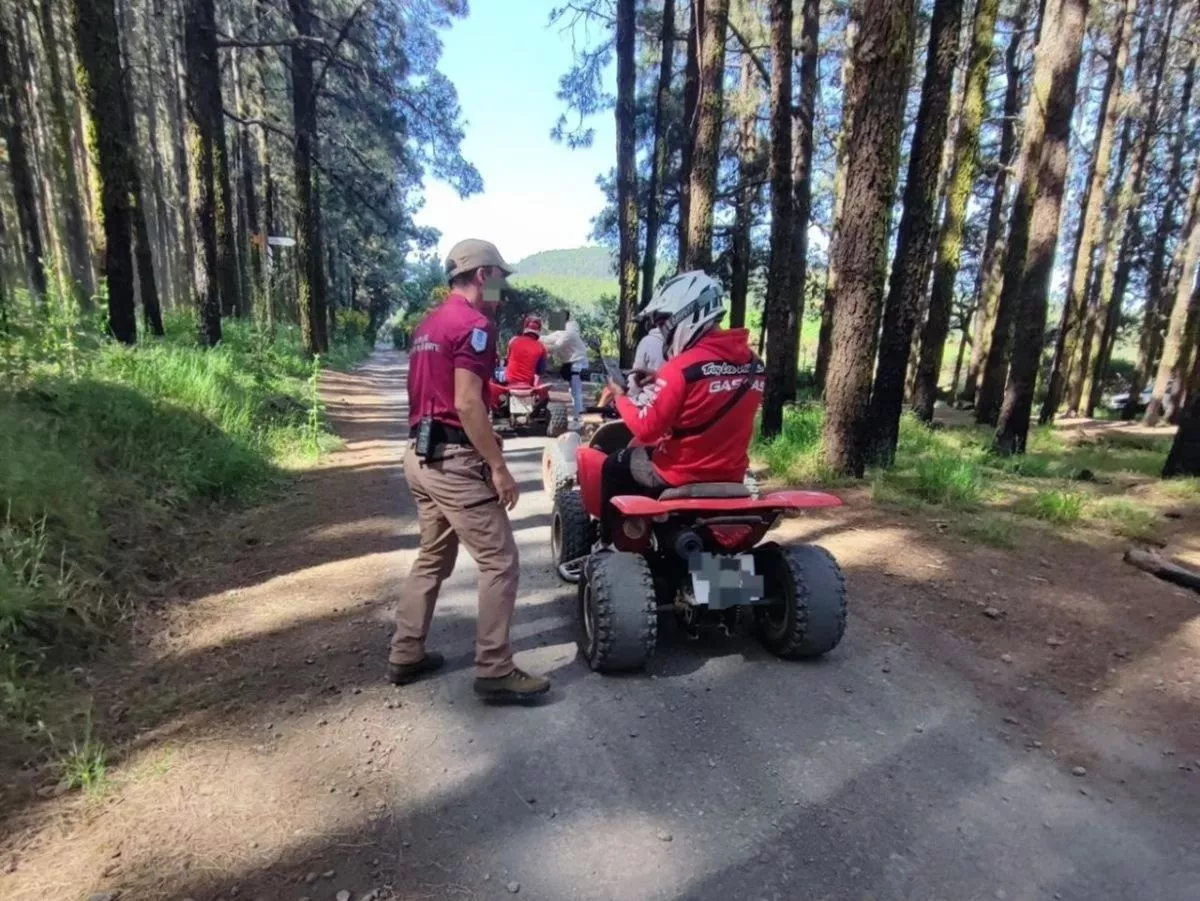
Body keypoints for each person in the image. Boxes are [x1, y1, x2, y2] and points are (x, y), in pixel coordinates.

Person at [389, 238, 550, 702]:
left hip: (420, 455)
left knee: (433, 556)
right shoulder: (475, 325)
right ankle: (495, 669)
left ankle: (406, 652)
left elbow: (436, 391)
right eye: (500, 278)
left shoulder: (429, 324)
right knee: (500, 561)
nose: (503, 287)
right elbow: (464, 402)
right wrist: (498, 467)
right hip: (453, 462)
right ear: (483, 275)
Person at [601, 272, 764, 542]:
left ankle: (613, 543)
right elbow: (715, 390)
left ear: (688, 315)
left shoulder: (680, 368)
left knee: (613, 465)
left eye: (664, 322)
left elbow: (647, 429)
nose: (663, 331)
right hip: (732, 471)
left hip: (680, 472)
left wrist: (620, 396)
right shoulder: (755, 365)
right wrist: (662, 380)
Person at [541, 314, 590, 423]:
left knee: (576, 391)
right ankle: (578, 414)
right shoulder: (562, 331)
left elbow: (556, 346)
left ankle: (579, 417)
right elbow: (548, 338)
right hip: (570, 363)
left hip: (577, 363)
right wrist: (534, 337)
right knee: (573, 390)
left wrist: (538, 346)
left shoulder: (569, 332)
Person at [627, 310, 668, 402]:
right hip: (671, 398)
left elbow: (636, 374)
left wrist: (629, 397)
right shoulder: (680, 340)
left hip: (649, 399)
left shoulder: (647, 341)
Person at [503, 316, 548, 386]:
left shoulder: (513, 340)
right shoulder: (541, 347)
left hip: (509, 381)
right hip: (527, 384)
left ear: (525, 328)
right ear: (539, 330)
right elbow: (541, 370)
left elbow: (507, 360)